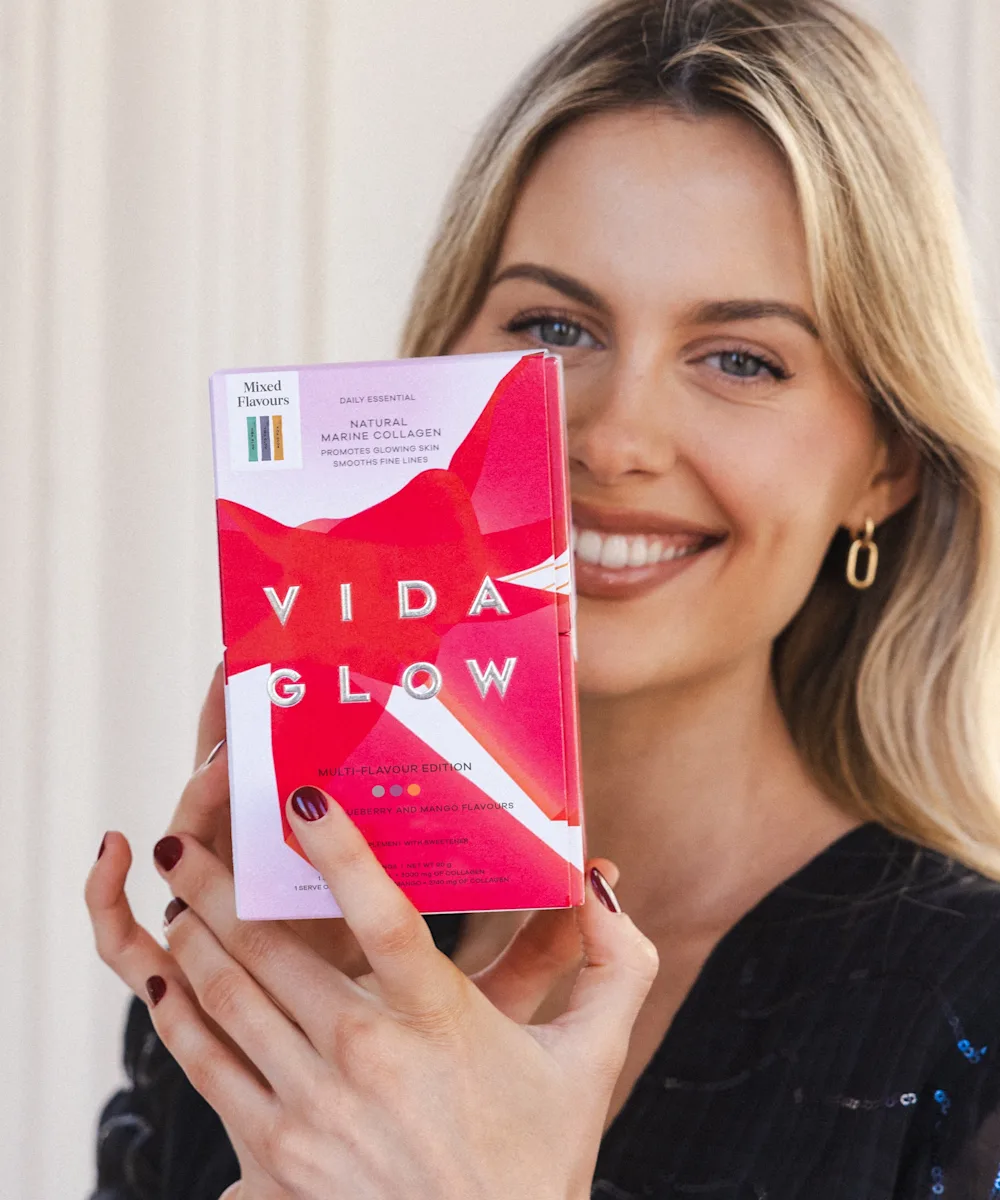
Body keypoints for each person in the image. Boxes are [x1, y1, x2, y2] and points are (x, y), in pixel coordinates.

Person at [87, 1, 1000, 1196]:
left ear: (886, 465)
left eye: (740, 358)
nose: (613, 440)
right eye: (554, 327)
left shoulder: (973, 1021)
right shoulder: (273, 968)